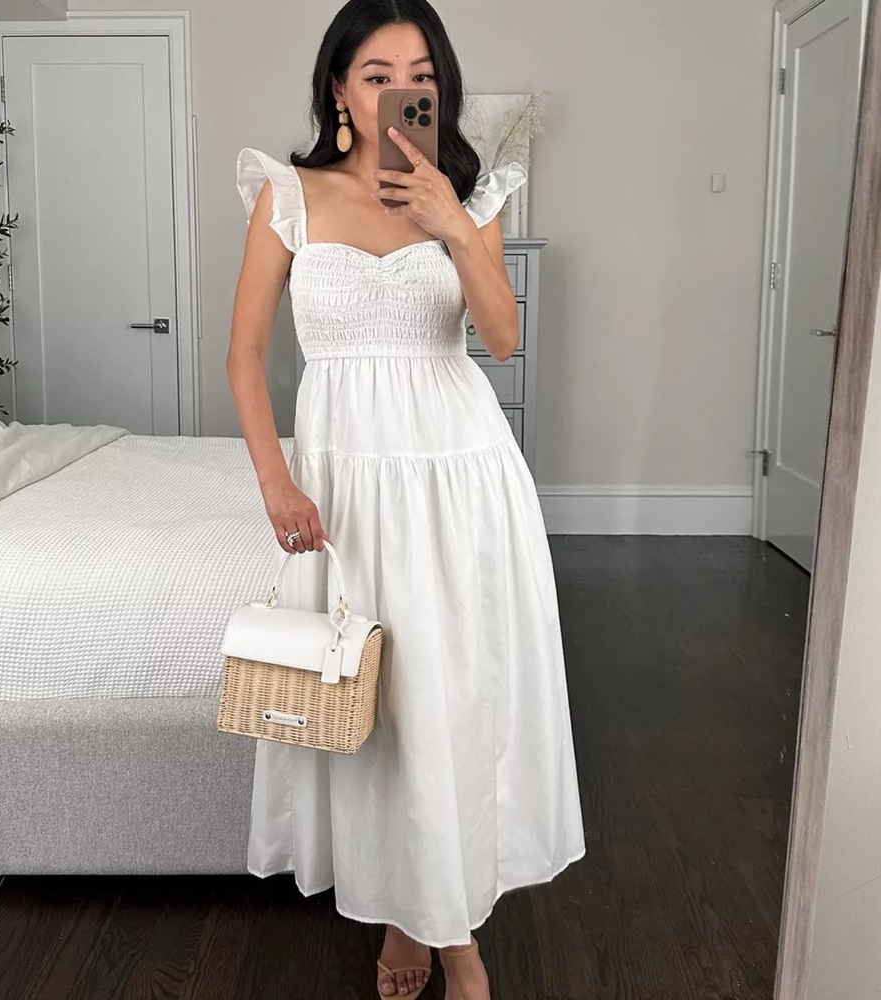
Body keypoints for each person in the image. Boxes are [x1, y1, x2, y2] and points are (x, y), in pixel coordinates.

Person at [226, 1, 585, 996]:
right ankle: (406, 915)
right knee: (377, 709)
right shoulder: (288, 195)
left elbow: (502, 339)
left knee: (449, 701)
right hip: (347, 487)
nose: (399, 90)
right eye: (376, 74)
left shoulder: (469, 192)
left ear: (440, 87)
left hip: (461, 474)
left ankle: (446, 932)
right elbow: (245, 354)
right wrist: (275, 481)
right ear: (338, 87)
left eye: (418, 74)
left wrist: (451, 223)